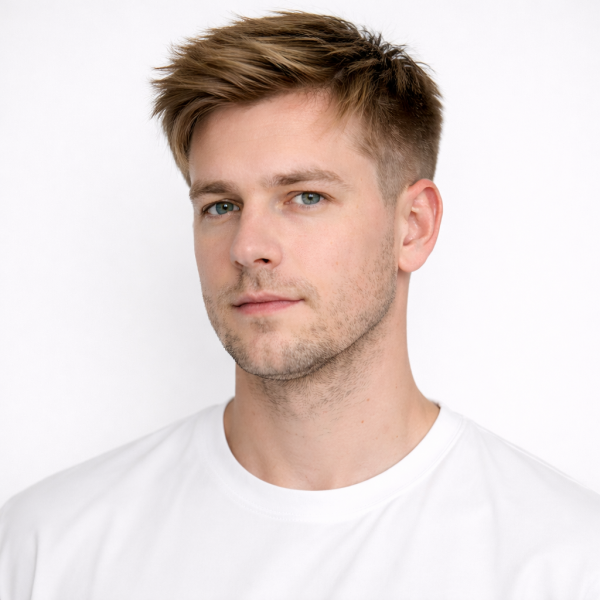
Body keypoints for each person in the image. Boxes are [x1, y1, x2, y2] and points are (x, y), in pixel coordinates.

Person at [0, 11, 599, 599]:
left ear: (413, 226)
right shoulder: (46, 547)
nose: (247, 247)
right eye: (220, 206)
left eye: (305, 197)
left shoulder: (565, 561)